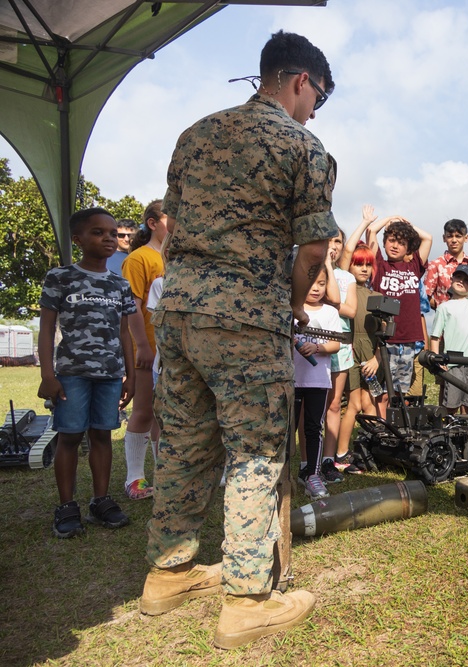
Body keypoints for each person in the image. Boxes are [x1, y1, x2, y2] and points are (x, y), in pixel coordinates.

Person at [141, 31, 336, 648]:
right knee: (255, 454)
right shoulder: (303, 145)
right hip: (247, 317)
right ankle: (248, 598)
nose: (315, 111)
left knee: (185, 444)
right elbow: (311, 249)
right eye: (319, 98)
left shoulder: (194, 135)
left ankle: (167, 573)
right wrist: (286, 305)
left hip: (180, 310)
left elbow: (170, 224)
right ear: (301, 81)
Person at [38, 207, 137, 538]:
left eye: (112, 233)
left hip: (110, 374)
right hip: (71, 374)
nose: (108, 238)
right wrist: (47, 375)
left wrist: (130, 374)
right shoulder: (60, 277)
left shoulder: (119, 284)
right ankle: (66, 506)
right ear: (78, 239)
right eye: (98, 232)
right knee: (69, 436)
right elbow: (47, 328)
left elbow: (125, 332)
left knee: (102, 434)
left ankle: (101, 500)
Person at [120, 199, 167, 500]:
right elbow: (131, 306)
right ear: (152, 223)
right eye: (170, 217)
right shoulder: (139, 259)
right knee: (143, 412)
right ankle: (134, 478)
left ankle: (164, 476)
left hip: (169, 354)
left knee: (162, 415)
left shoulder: (174, 259)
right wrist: (143, 346)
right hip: (148, 351)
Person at [336, 229, 387, 470]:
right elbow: (346, 252)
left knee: (369, 404)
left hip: (371, 357)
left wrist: (376, 359)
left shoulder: (377, 296)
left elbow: (383, 335)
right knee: (354, 405)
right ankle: (341, 455)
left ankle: (375, 450)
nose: (364, 269)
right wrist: (367, 225)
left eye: (368, 264)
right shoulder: (345, 289)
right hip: (350, 353)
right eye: (359, 264)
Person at [367, 211, 432, 396]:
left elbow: (427, 238)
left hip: (409, 339)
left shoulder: (414, 266)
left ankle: (397, 424)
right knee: (383, 391)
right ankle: (383, 423)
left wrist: (406, 225)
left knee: (401, 392)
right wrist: (390, 218)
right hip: (386, 338)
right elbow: (371, 230)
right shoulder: (380, 265)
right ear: (385, 241)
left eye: (402, 243)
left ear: (408, 249)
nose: (395, 246)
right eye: (392, 240)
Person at [428, 227, 468, 414]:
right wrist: (436, 359)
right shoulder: (444, 307)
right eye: (458, 277)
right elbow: (435, 336)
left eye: (466, 280)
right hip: (453, 362)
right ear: (451, 279)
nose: (461, 281)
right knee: (450, 405)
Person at [292, 267, 341, 500]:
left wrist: (318, 347)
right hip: (290, 379)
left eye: (321, 284)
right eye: (311, 282)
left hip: (318, 380)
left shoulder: (330, 312)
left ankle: (313, 474)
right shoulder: (290, 308)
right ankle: (280, 475)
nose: (316, 288)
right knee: (286, 429)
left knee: (313, 428)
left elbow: (335, 344)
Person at [320, 232, 352, 482]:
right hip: (311, 341)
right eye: (329, 241)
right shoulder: (309, 269)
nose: (333, 246)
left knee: (334, 403)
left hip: (339, 346)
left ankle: (328, 459)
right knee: (307, 405)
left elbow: (348, 308)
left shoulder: (347, 277)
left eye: (338, 242)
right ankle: (308, 458)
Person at [424, 218, 468, 310]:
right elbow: (425, 295)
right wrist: (441, 307)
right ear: (444, 238)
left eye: (458, 236)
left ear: (466, 238)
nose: (454, 240)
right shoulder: (436, 265)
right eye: (450, 236)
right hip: (445, 320)